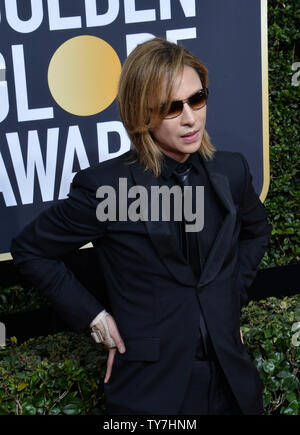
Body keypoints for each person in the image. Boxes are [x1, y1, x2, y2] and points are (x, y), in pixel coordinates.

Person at [10, 37, 272, 415]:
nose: (190, 118)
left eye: (197, 100)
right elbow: (31, 249)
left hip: (234, 384)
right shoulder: (106, 188)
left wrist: (230, 295)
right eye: (171, 107)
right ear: (140, 114)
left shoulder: (231, 171)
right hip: (153, 390)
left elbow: (256, 231)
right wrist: (95, 318)